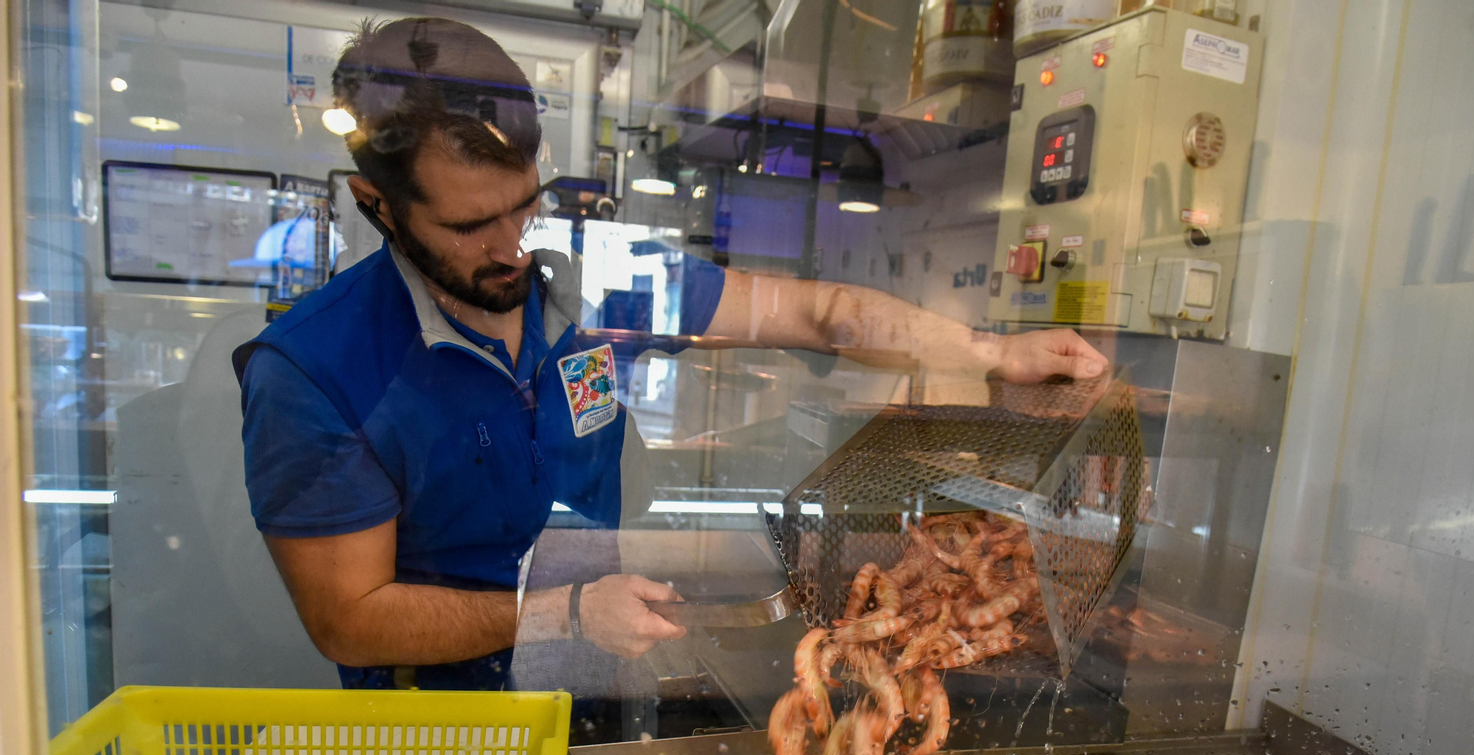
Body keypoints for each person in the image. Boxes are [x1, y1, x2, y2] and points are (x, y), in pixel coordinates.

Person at [234, 17, 1108, 700]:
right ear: (376, 205)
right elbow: (349, 619)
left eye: (524, 207)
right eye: (469, 226)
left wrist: (991, 350)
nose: (511, 247)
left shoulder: (595, 274)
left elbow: (817, 312)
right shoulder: (315, 371)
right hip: (443, 738)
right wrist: (563, 614)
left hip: (604, 685)